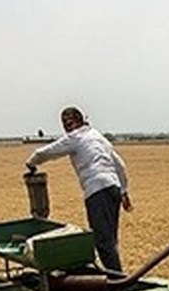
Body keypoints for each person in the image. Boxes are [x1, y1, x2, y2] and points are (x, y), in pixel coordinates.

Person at [25, 106, 132, 273]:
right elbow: (119, 165)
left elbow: (46, 152)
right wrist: (124, 191)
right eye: (64, 123)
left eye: (70, 122)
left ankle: (118, 281)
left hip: (97, 190)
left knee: (103, 242)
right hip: (113, 189)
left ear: (79, 121)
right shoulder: (98, 136)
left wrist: (31, 163)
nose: (67, 126)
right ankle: (116, 275)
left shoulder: (75, 137)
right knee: (110, 239)